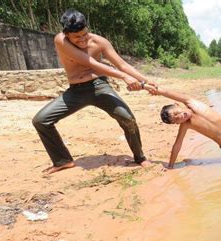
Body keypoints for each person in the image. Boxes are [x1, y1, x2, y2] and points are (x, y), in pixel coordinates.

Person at [32, 9, 157, 174]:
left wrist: (147, 81)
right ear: (66, 34)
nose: (83, 39)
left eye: (85, 34)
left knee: (128, 119)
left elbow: (123, 64)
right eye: (77, 37)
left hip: (100, 87)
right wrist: (124, 77)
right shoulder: (60, 40)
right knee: (41, 120)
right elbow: (90, 63)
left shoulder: (100, 42)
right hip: (76, 91)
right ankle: (63, 161)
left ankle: (140, 157)